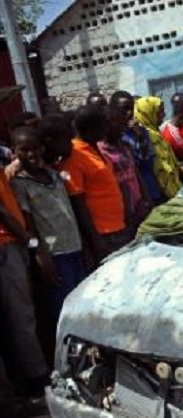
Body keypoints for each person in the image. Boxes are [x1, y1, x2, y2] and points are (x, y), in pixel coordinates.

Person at [10, 126, 86, 350]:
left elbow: (71, 210)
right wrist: (40, 255)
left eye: (34, 148)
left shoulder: (54, 174)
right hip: (54, 256)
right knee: (63, 311)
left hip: (75, 248)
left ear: (42, 148)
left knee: (82, 305)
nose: (31, 154)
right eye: (23, 150)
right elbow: (28, 225)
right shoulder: (19, 184)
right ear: (14, 153)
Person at [0, 158, 48, 398]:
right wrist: (30, 241)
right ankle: (35, 383)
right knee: (21, 318)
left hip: (11, 245)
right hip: (6, 246)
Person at [58, 105, 128, 264]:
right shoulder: (74, 156)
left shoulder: (93, 148)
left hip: (117, 227)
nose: (107, 129)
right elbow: (78, 204)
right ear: (91, 128)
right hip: (102, 234)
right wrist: (95, 240)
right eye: (104, 125)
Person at [99, 106, 152, 236]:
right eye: (117, 123)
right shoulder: (100, 152)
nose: (121, 126)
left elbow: (136, 174)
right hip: (122, 215)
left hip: (139, 208)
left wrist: (147, 200)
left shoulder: (125, 146)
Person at [110, 91, 163, 206]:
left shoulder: (140, 131)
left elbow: (147, 161)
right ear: (113, 110)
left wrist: (139, 136)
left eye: (131, 108)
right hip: (130, 196)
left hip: (149, 188)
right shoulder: (111, 136)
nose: (129, 113)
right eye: (124, 109)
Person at [134, 96, 183, 200]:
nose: (163, 115)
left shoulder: (156, 132)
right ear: (148, 113)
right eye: (159, 112)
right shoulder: (147, 136)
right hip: (162, 193)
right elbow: (161, 167)